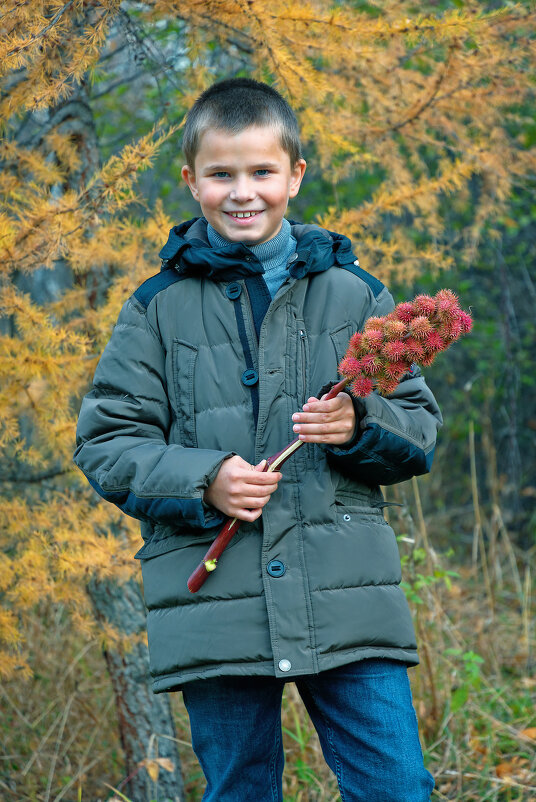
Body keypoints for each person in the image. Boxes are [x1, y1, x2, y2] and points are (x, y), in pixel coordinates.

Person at [74, 78, 442, 801]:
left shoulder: (357, 294)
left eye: (261, 172)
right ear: (191, 180)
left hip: (347, 600)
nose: (243, 192)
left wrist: (357, 427)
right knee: (241, 790)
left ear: (295, 174)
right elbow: (108, 442)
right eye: (221, 174)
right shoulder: (155, 309)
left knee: (398, 786)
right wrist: (204, 478)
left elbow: (419, 428)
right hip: (217, 611)